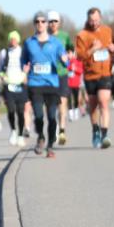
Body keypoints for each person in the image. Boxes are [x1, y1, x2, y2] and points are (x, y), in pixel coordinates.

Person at [22, 11, 67, 158]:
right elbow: (23, 60)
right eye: (37, 21)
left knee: (52, 116)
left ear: (47, 24)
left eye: (43, 21)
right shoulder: (29, 42)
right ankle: (41, 136)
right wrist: (25, 68)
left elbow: (65, 60)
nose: (40, 24)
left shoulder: (56, 42)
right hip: (35, 84)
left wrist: (65, 59)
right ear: (34, 24)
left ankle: (50, 146)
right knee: (39, 115)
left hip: (52, 84)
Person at [75, 7, 114, 148]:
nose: (94, 23)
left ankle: (105, 135)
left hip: (105, 73)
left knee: (103, 102)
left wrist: (112, 49)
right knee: (93, 106)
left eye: (97, 20)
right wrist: (93, 49)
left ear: (101, 18)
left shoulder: (108, 30)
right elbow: (79, 56)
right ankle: (95, 130)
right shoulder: (82, 35)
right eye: (92, 20)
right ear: (88, 20)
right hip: (90, 75)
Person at [0, 30, 28, 147]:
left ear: (18, 40)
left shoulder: (23, 52)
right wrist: (2, 77)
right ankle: (13, 131)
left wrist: (26, 74)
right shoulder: (4, 52)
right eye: (11, 39)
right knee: (11, 110)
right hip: (9, 84)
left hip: (21, 84)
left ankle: (20, 135)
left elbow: (28, 65)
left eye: (15, 39)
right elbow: (0, 68)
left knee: (21, 112)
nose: (13, 41)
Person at [47, 11, 72, 145]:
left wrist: (69, 55)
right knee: (51, 105)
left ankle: (62, 130)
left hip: (62, 73)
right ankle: (54, 128)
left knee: (62, 104)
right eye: (50, 21)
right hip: (48, 75)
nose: (53, 24)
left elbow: (70, 49)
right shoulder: (43, 37)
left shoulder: (65, 36)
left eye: (55, 21)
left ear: (59, 23)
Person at [66, 46, 84, 120]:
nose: (68, 55)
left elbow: (81, 71)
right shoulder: (66, 62)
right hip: (68, 83)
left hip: (76, 83)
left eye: (69, 53)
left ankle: (76, 112)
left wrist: (75, 69)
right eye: (67, 53)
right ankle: (70, 114)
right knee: (69, 99)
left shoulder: (77, 61)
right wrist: (68, 68)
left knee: (76, 98)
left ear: (73, 53)